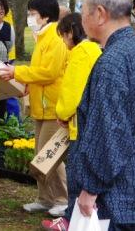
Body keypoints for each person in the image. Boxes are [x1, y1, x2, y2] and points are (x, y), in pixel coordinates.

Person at [45, 0, 135, 231]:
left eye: (85, 11)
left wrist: (90, 188)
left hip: (111, 195)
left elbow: (110, 134)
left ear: (99, 14)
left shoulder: (111, 63)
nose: (82, 20)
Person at [0, 0, 68, 217]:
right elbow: (39, 72)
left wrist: (17, 72)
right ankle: (45, 198)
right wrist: (27, 82)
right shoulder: (42, 37)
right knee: (40, 156)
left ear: (45, 16)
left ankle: (62, 199)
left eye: (33, 14)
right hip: (41, 106)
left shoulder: (55, 39)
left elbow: (49, 72)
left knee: (50, 157)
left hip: (53, 107)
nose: (30, 18)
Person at [41, 12, 102, 229]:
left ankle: (69, 220)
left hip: (81, 122)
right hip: (94, 119)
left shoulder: (80, 52)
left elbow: (72, 90)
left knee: (77, 174)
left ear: (70, 32)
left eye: (63, 35)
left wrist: (62, 114)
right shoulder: (96, 49)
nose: (63, 41)